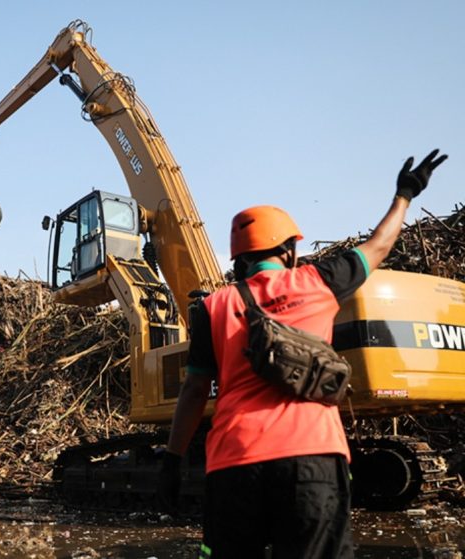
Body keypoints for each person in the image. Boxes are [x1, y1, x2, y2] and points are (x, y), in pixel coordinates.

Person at [158, 149, 448, 559]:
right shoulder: (318, 282)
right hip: (312, 458)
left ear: (239, 258)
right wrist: (405, 195)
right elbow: (379, 246)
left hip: (235, 463)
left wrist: (172, 460)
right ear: (288, 251)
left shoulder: (212, 307)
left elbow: (194, 389)